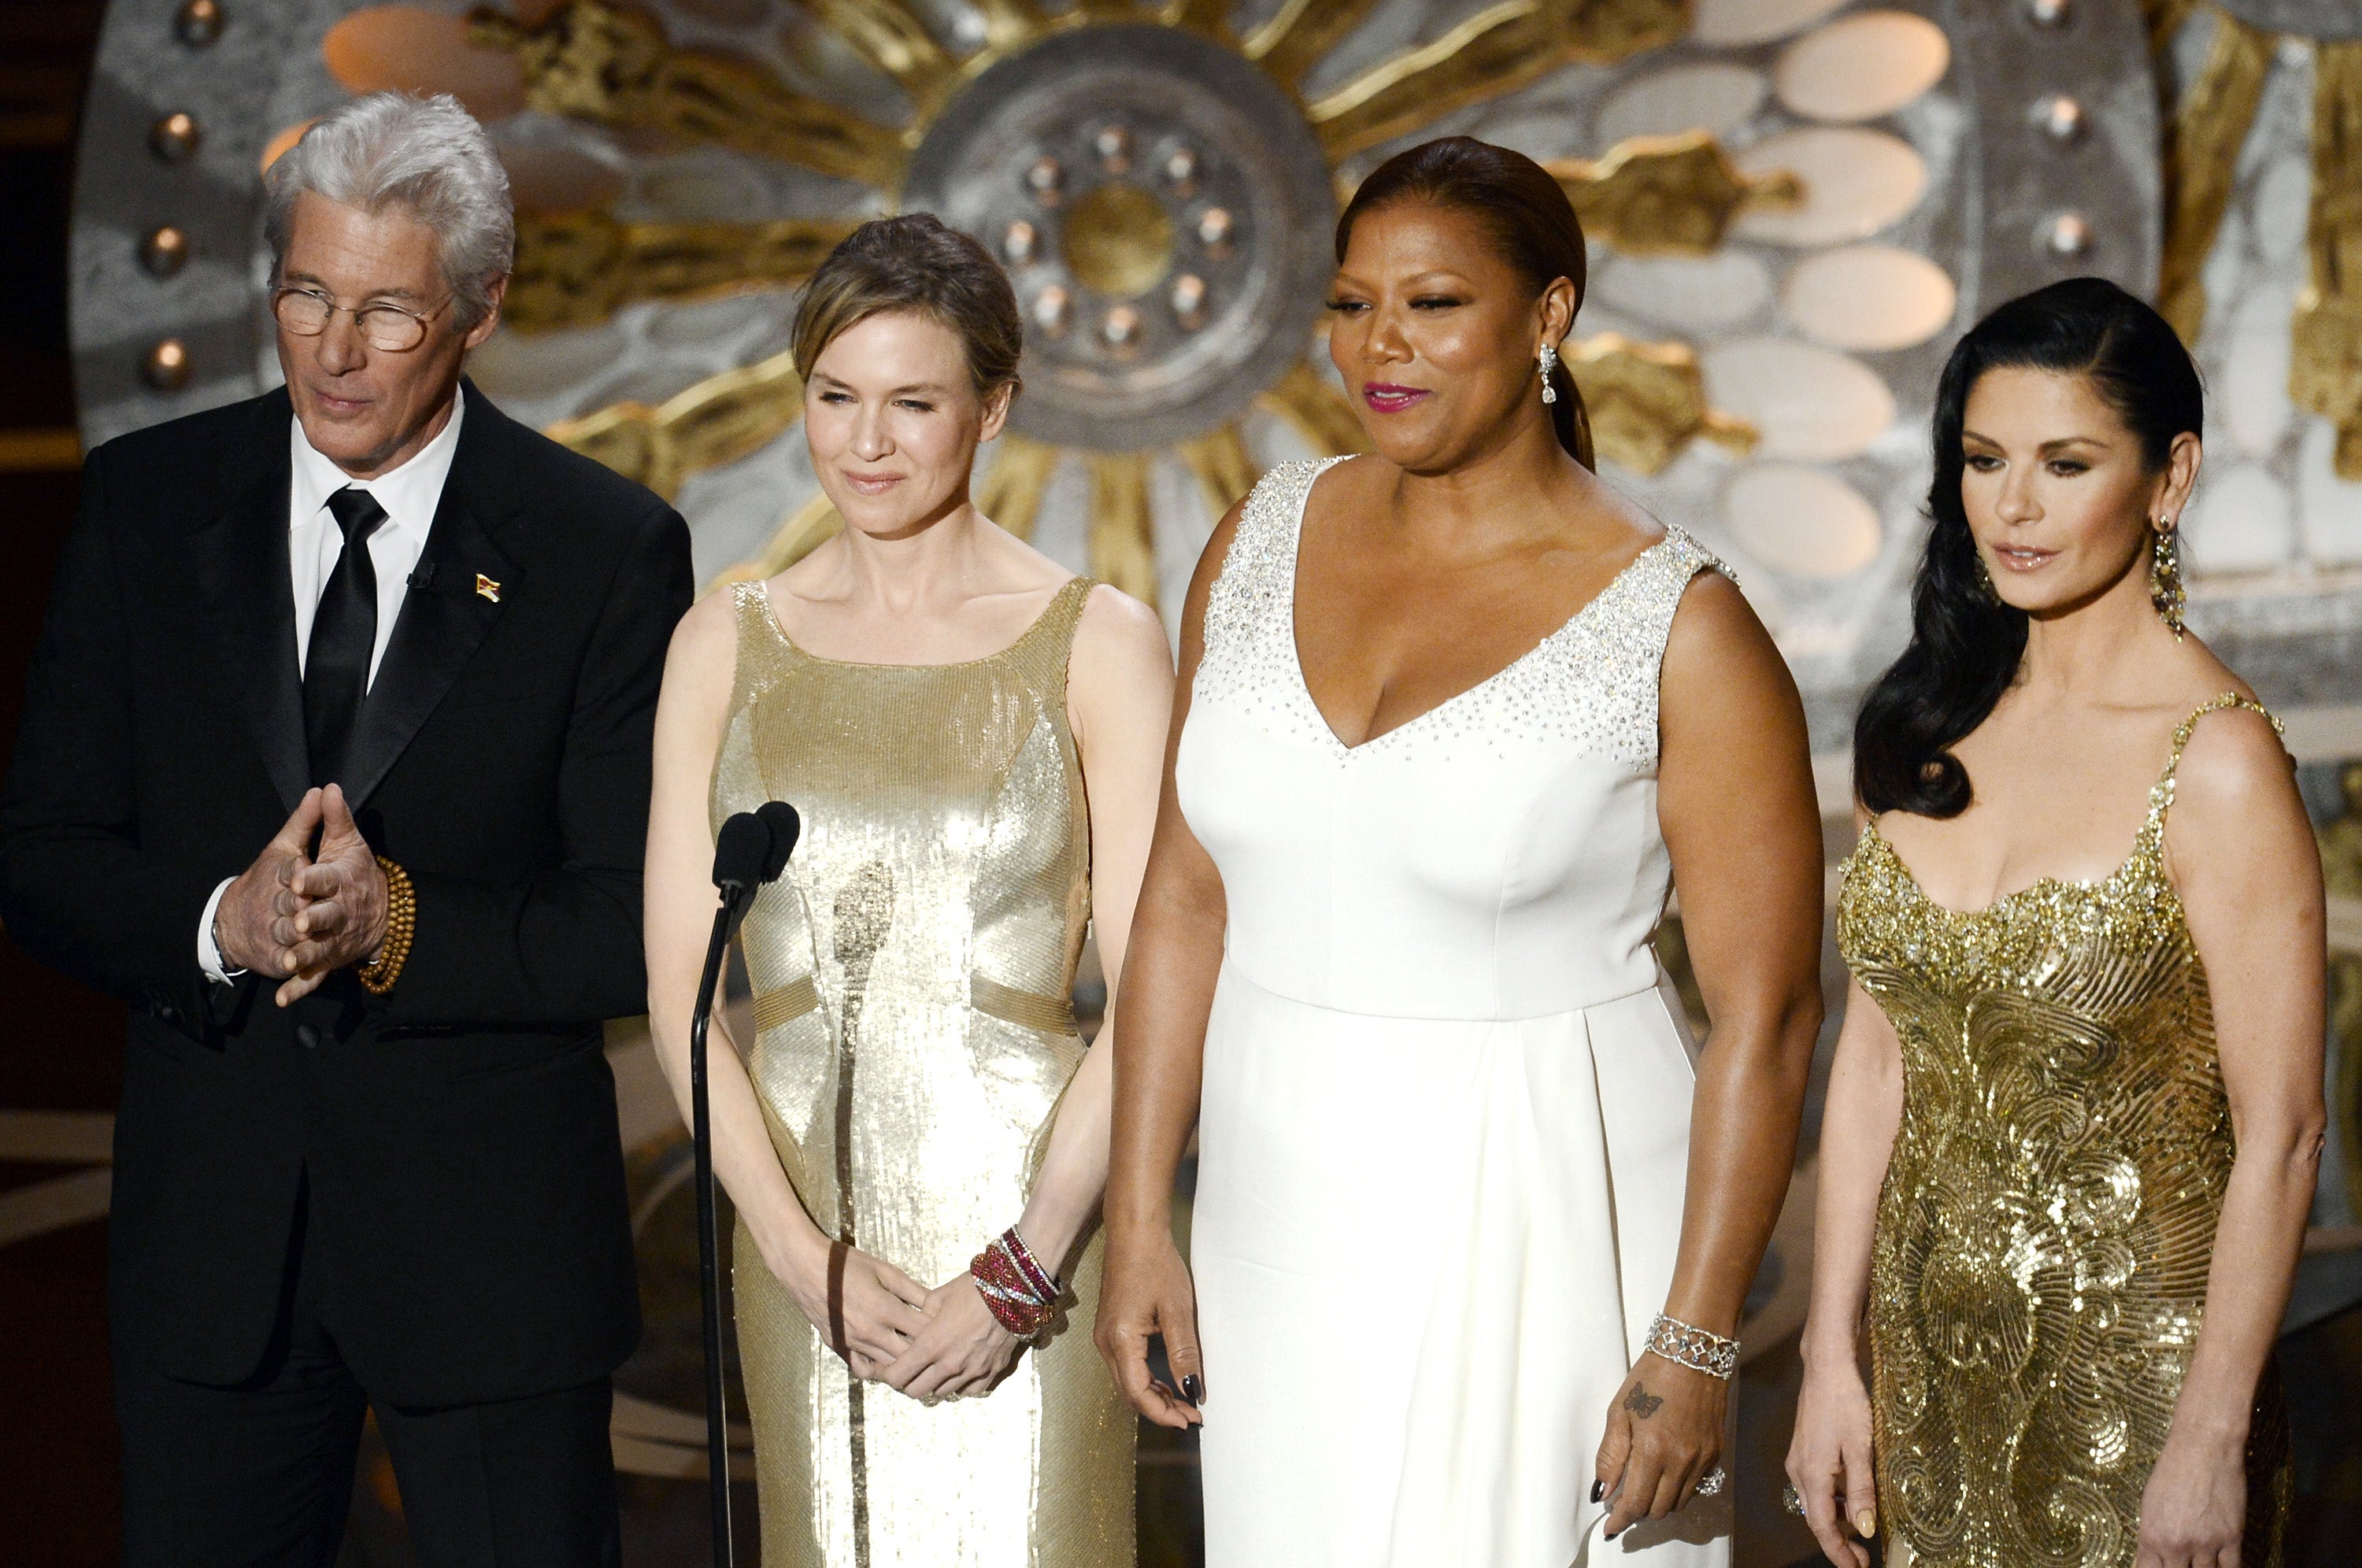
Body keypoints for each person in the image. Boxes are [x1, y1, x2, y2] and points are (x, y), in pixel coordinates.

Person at [1093, 135, 1825, 1566]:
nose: (1382, 348)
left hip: (1545, 1201)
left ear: (1547, 317)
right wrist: (1140, 1221)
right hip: (1274, 1205)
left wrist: (1696, 1340)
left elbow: (1771, 1018)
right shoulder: (1254, 539)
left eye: (1433, 306)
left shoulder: (1683, 626)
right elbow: (1183, 902)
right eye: (1353, 304)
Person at [0, 92, 691, 1564]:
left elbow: (627, 917)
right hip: (215, 1260)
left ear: (481, 310)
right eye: (305, 294)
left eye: (385, 311)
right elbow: (43, 856)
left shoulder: (601, 549)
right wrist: (217, 924)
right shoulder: (147, 504)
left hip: (493, 1266)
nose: (331, 348)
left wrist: (399, 925)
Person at [642, 213, 1172, 1566]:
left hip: (1036, 1228)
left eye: (912, 402)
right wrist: (792, 1251)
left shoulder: (1095, 641)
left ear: (993, 408)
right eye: (835, 397)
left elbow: (1161, 991)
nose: (866, 443)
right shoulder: (724, 642)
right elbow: (679, 998)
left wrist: (1029, 1260)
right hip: (809, 1241)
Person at [1786, 277, 2322, 1568]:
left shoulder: (2220, 761)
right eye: (1982, 461)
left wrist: (2205, 1440)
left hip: (2141, 1407)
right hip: (1923, 1387)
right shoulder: (1923, 731)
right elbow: (1873, 1062)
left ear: (2168, 476)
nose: (2011, 507)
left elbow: (2287, 1136)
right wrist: (1826, 1357)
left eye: (2065, 463)